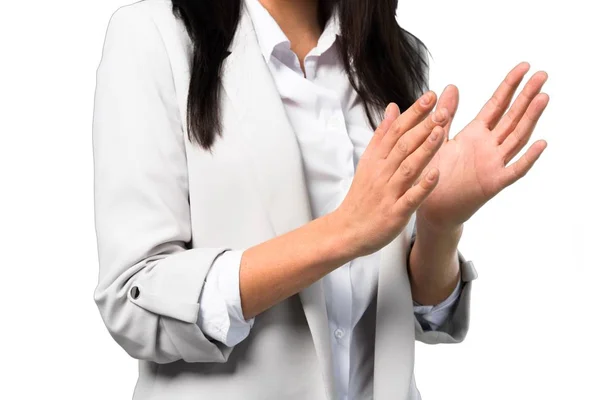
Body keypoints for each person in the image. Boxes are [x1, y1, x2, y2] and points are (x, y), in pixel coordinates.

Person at [91, 0, 549, 399]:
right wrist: (343, 232)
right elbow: (133, 298)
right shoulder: (153, 36)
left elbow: (410, 308)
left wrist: (439, 223)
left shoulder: (395, 56)